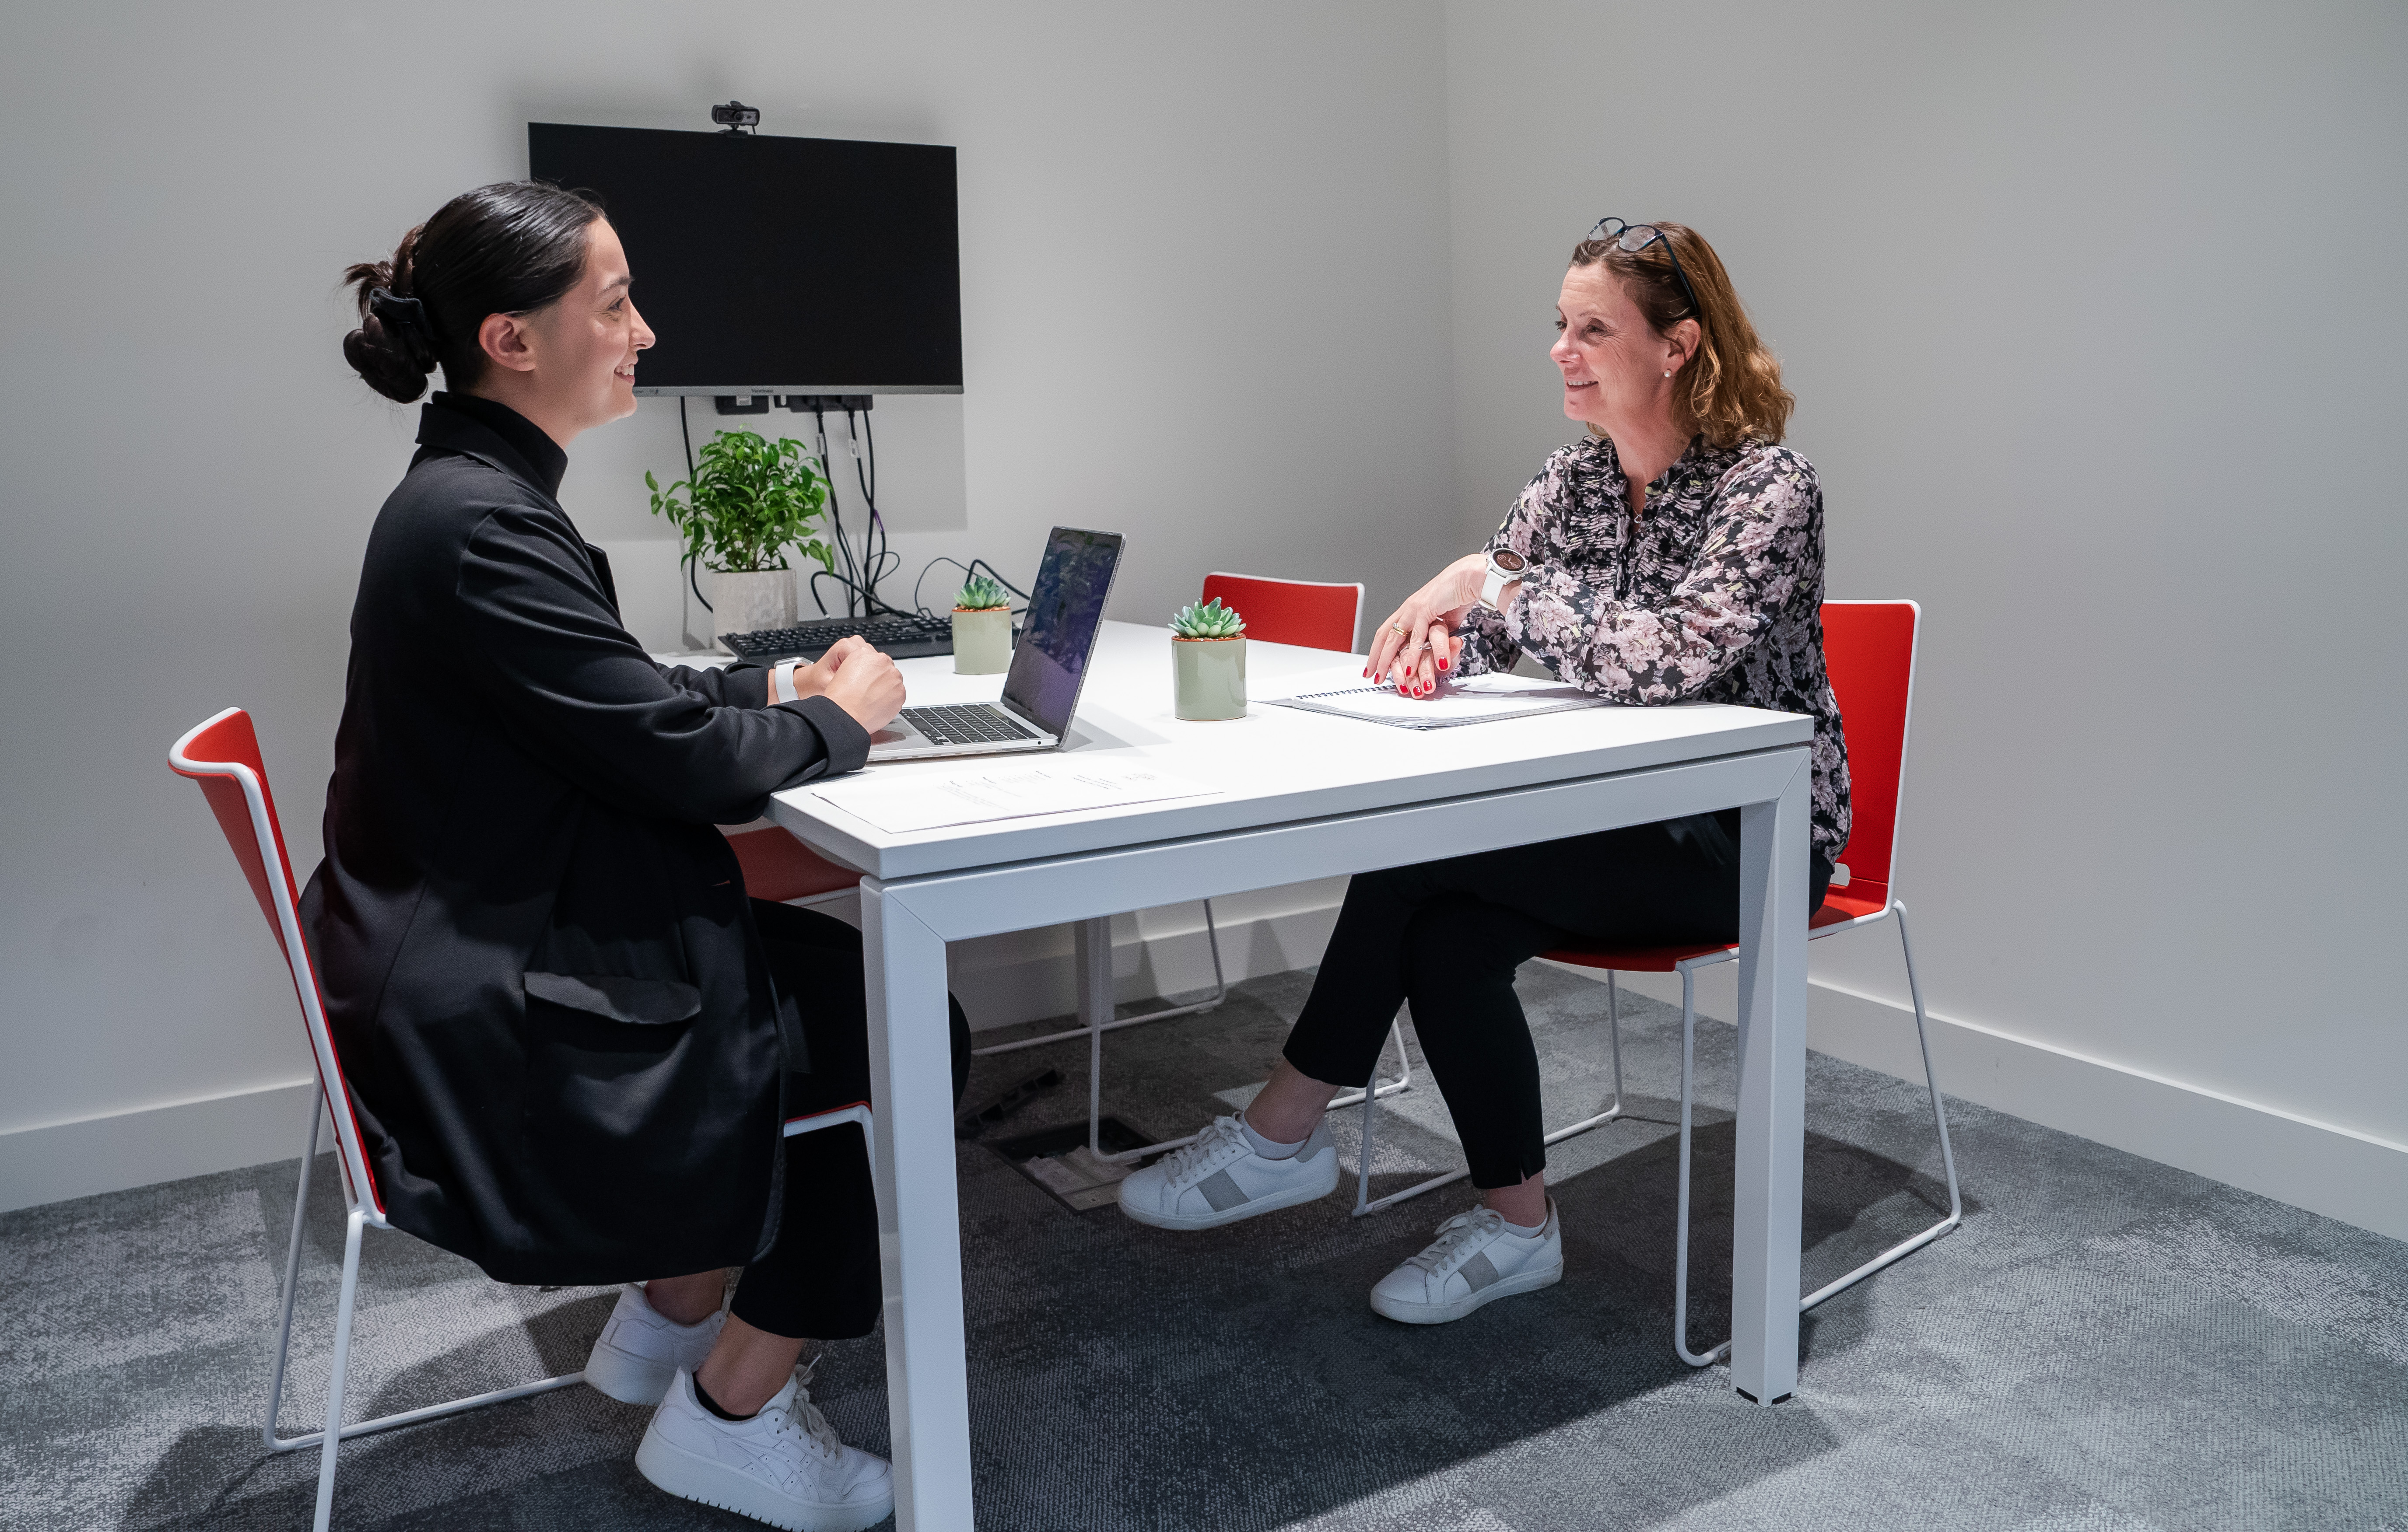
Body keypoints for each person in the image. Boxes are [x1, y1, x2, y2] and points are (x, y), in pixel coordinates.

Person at [306, 180, 961, 1532]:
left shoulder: (472, 500)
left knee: (832, 984)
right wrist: (845, 719)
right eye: (613, 304)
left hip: (475, 953)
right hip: (501, 1028)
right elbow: (675, 765)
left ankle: (667, 1322)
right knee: (896, 1024)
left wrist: (778, 692)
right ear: (512, 340)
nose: (645, 332)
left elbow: (617, 700)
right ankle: (730, 1413)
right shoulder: (484, 526)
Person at [1118, 219, 1850, 1326]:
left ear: (1679, 344)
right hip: (1614, 811)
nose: (1563, 347)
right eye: (1560, 324)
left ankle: (1283, 1129)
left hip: (1747, 833)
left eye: (1593, 328)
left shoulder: (1768, 488)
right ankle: (1516, 1226)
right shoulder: (1575, 478)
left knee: (1418, 860)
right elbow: (1498, 631)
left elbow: (1668, 659)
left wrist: (1490, 585)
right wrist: (1437, 645)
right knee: (1450, 931)